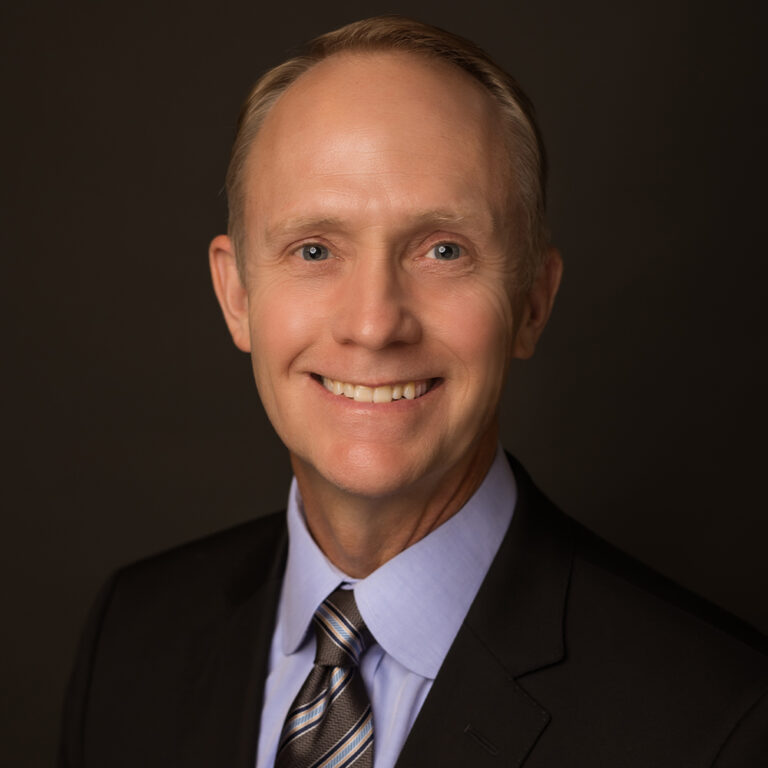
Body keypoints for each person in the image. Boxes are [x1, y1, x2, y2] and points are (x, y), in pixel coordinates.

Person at [59, 16, 768, 768]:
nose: (373, 324)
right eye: (314, 248)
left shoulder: (718, 724)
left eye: (442, 249)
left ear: (532, 300)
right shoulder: (132, 636)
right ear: (236, 295)